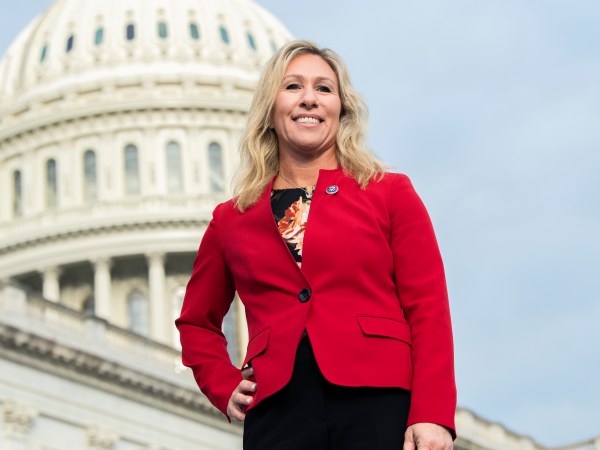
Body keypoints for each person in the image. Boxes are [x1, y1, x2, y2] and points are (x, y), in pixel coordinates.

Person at [176, 40, 456, 450]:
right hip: (278, 411)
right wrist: (223, 383)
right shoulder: (231, 219)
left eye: (324, 89)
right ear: (270, 111)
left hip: (378, 400)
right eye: (292, 87)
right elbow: (196, 322)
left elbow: (428, 308)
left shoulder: (389, 192)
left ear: (341, 111)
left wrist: (432, 414)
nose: (309, 98)